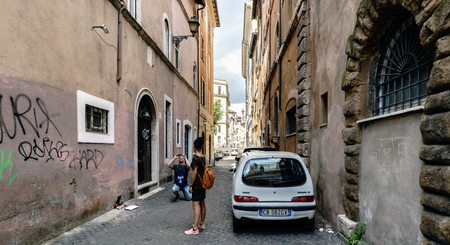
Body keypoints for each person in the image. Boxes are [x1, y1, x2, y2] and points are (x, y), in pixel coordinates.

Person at [185, 137, 207, 235]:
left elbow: (194, 173)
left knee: (195, 206)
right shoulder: (203, 156)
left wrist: (190, 185)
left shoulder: (195, 158)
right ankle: (201, 223)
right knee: (202, 203)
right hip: (203, 183)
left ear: (194, 146)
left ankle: (195, 229)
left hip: (197, 184)